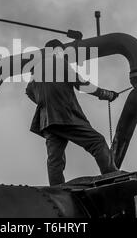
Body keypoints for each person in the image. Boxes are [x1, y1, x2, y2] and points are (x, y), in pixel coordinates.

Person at [25, 39, 119, 185]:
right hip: (65, 117)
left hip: (47, 122)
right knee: (97, 142)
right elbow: (82, 85)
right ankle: (113, 177)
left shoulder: (36, 70)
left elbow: (29, 91)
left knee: (55, 160)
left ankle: (56, 191)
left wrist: (46, 103)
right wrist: (107, 94)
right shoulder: (59, 62)